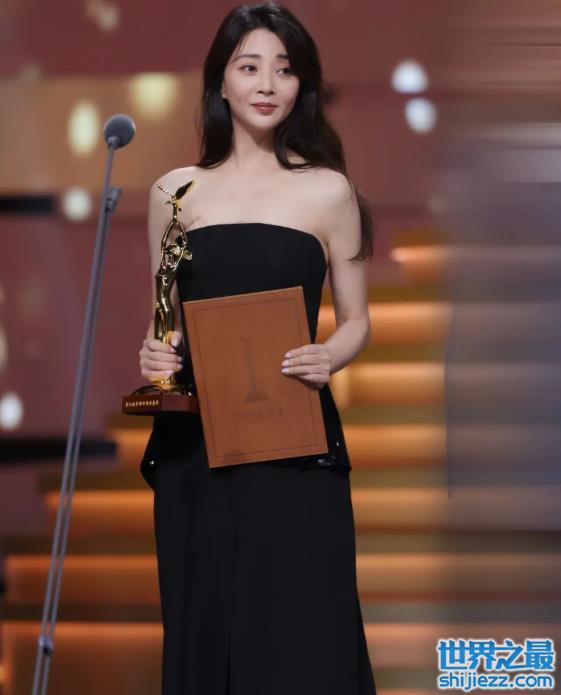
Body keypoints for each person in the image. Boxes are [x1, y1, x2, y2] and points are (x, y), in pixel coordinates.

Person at [137, 3, 376, 694]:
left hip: (295, 439)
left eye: (284, 69)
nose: (267, 84)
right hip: (198, 446)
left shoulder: (328, 191)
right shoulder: (174, 193)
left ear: (301, 85)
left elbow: (357, 320)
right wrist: (154, 356)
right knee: (206, 627)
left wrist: (330, 354)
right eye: (249, 67)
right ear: (221, 80)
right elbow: (161, 323)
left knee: (304, 633)